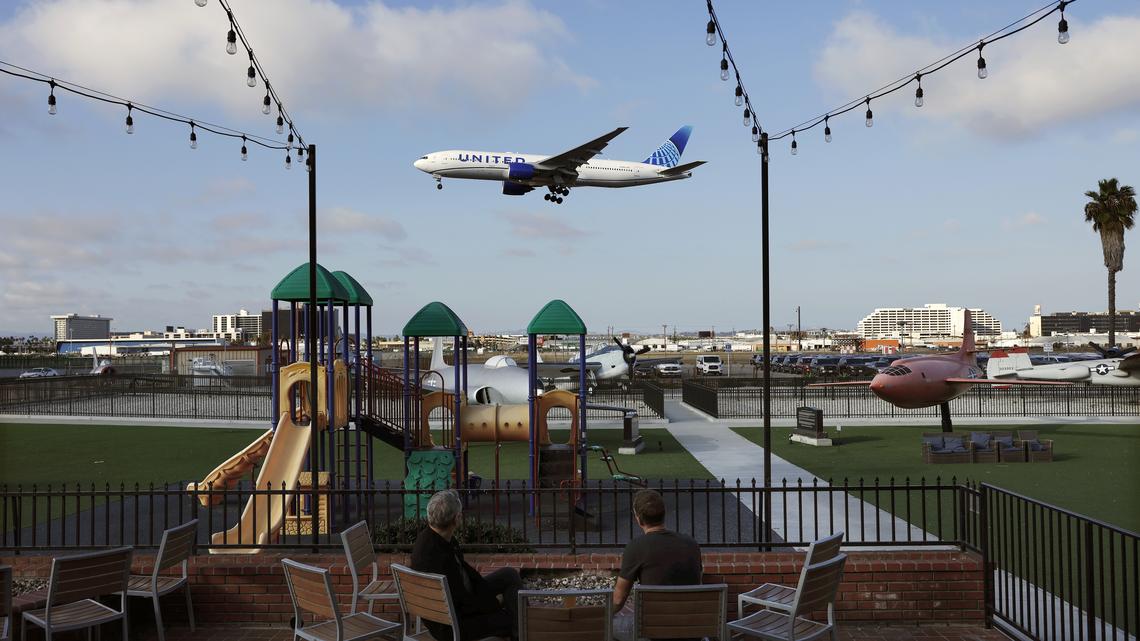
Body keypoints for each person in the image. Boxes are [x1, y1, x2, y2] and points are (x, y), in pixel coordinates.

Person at [410, 490, 522, 641]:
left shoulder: (433, 538)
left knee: (509, 575)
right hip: (453, 626)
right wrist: (493, 605)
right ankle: (519, 633)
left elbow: (465, 573)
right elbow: (463, 604)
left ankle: (518, 627)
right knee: (512, 619)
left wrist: (488, 597)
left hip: (456, 606)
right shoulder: (437, 558)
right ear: (456, 519)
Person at [613, 489, 703, 639]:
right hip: (691, 630)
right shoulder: (691, 544)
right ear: (664, 514)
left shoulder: (636, 547)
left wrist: (595, 616)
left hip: (653, 632)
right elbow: (698, 580)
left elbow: (618, 600)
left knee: (610, 626)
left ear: (638, 519)